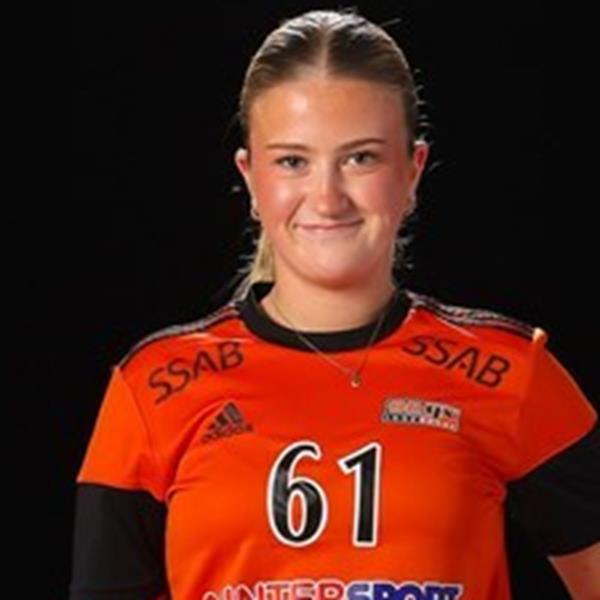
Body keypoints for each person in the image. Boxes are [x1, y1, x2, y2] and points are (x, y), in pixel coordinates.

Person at [69, 8, 600, 600]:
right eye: (292, 161)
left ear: (413, 170)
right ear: (250, 176)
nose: (327, 197)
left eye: (360, 157)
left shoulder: (510, 374)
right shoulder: (152, 390)